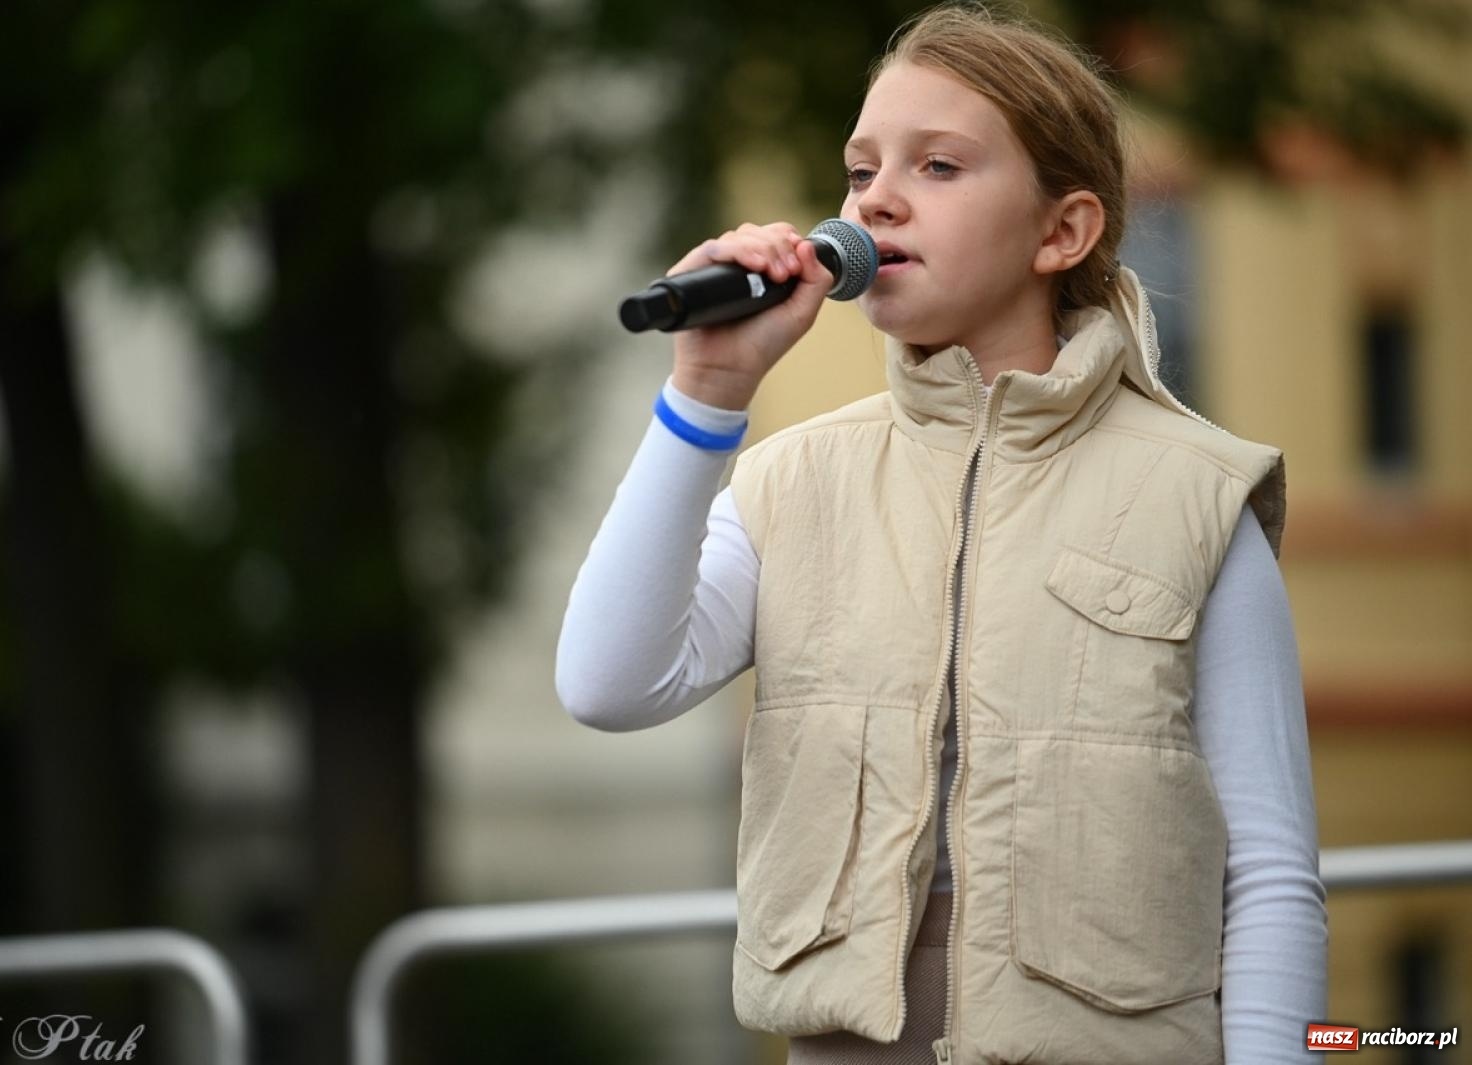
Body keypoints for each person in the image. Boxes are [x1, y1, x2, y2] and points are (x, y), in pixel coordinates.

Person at [555, 6, 1328, 1064]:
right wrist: (707, 394)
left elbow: (1270, 874)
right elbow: (606, 683)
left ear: (1062, 233)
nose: (875, 197)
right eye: (859, 168)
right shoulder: (790, 480)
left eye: (938, 165)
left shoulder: (1196, 494)